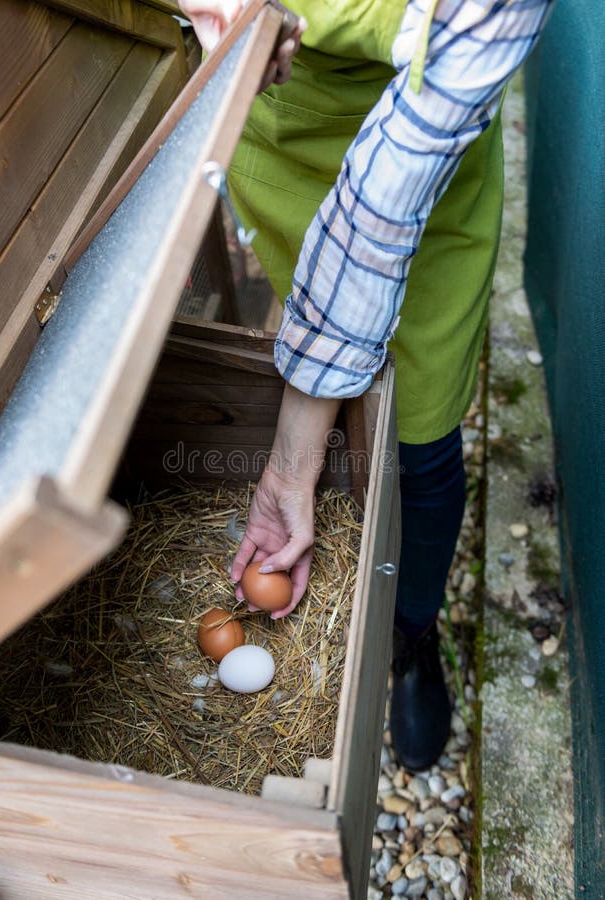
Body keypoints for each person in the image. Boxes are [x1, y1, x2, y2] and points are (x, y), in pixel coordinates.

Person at [178, 0, 556, 771]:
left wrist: (289, 465)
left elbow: (377, 215)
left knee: (418, 430)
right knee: (305, 360)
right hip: (281, 131)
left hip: (416, 174)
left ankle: (411, 633)